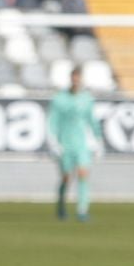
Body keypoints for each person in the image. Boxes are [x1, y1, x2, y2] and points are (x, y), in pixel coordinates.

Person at [48, 65, 103, 221]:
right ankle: (61, 206)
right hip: (64, 143)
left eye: (78, 78)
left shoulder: (86, 98)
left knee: (83, 174)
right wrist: (53, 142)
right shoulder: (60, 98)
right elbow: (52, 121)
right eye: (74, 77)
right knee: (66, 177)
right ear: (71, 78)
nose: (76, 81)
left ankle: (82, 210)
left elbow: (92, 120)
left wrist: (98, 139)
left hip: (82, 144)